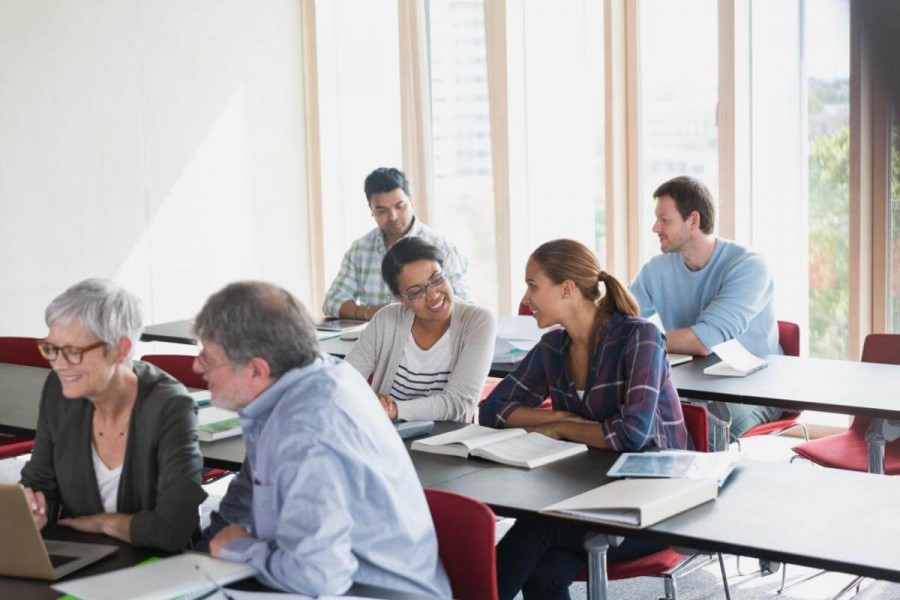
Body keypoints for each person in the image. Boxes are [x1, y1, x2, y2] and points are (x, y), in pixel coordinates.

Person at [196, 281, 451, 597]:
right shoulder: (307, 379)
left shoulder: (306, 428)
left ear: (256, 370)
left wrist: (239, 548)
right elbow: (247, 493)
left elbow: (318, 577)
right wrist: (194, 561)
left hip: (367, 590)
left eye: (209, 359)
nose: (197, 367)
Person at [479, 239, 690, 600]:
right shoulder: (553, 347)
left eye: (532, 285)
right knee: (544, 576)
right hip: (588, 495)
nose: (526, 297)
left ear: (567, 289)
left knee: (535, 527)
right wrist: (557, 415)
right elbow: (492, 410)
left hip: (656, 503)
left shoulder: (640, 337)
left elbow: (633, 434)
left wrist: (558, 426)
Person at [20, 278, 206, 552]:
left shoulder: (170, 407)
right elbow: (38, 481)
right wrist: (34, 507)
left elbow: (172, 530)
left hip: (154, 565)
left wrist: (103, 523)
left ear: (121, 349)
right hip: (83, 554)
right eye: (51, 349)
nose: (58, 364)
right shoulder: (57, 392)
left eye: (73, 352)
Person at [629, 175, 783, 440]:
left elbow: (702, 341)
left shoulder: (748, 266)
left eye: (665, 219)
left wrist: (635, 340)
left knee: (702, 434)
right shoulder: (657, 269)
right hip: (690, 382)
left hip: (754, 388)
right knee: (632, 420)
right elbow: (618, 316)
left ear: (693, 221)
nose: (655, 227)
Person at [345, 237, 496, 422]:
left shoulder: (478, 322)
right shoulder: (386, 319)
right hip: (387, 437)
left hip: (446, 445)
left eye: (437, 279)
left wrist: (393, 409)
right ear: (401, 298)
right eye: (416, 291)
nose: (433, 295)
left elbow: (458, 404)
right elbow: (344, 382)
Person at [322, 167, 472, 320]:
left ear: (411, 199)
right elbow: (332, 302)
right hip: (377, 340)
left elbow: (466, 307)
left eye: (399, 206)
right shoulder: (360, 250)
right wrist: (372, 313)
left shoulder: (442, 246)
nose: (393, 216)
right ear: (371, 209)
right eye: (382, 210)